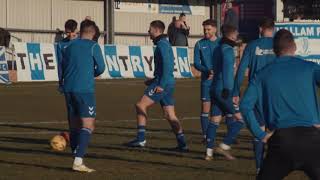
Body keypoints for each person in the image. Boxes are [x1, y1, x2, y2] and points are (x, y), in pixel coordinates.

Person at [240, 29, 320, 179]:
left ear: (274, 50)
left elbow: (245, 106)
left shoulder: (262, 74)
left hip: (282, 141)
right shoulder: (309, 67)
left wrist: (260, 135)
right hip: (312, 140)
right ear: (294, 47)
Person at [126, 20, 188, 152]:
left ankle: (141, 139)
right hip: (166, 82)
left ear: (156, 30)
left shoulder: (162, 45)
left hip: (164, 83)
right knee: (170, 114)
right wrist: (154, 79)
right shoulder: (163, 44)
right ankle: (182, 143)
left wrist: (160, 84)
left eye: (150, 30)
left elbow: (167, 66)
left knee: (140, 105)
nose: (148, 32)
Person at [60, 19, 106, 172]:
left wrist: (62, 83)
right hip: (84, 89)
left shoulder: (68, 45)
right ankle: (78, 161)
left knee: (73, 124)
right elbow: (101, 67)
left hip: (68, 89)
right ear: (93, 33)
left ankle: (75, 152)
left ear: (81, 31)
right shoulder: (93, 46)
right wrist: (90, 73)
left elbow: (62, 66)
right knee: (88, 125)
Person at [233, 18, 276, 173]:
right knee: (275, 131)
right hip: (274, 95)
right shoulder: (278, 46)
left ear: (260, 29)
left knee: (259, 131)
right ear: (273, 29)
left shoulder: (252, 46)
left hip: (256, 94)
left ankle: (259, 167)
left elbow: (241, 69)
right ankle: (274, 166)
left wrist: (236, 91)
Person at [205, 25, 244, 161]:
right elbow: (228, 71)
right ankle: (224, 146)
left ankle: (208, 154)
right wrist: (229, 89)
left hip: (214, 88)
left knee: (215, 120)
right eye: (236, 34)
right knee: (240, 119)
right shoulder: (228, 50)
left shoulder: (218, 48)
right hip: (223, 90)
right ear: (232, 35)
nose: (237, 37)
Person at [193, 19, 220, 142]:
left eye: (208, 29)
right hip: (206, 82)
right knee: (205, 108)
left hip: (220, 81)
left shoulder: (221, 43)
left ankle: (231, 136)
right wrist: (207, 70)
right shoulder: (199, 44)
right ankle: (205, 136)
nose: (206, 31)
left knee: (227, 109)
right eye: (204, 29)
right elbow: (196, 64)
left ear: (215, 29)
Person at [56, 19, 78, 92]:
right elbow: (60, 64)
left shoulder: (82, 42)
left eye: (70, 32)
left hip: (81, 81)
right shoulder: (61, 44)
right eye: (67, 32)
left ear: (76, 30)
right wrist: (60, 82)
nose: (69, 35)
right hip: (68, 80)